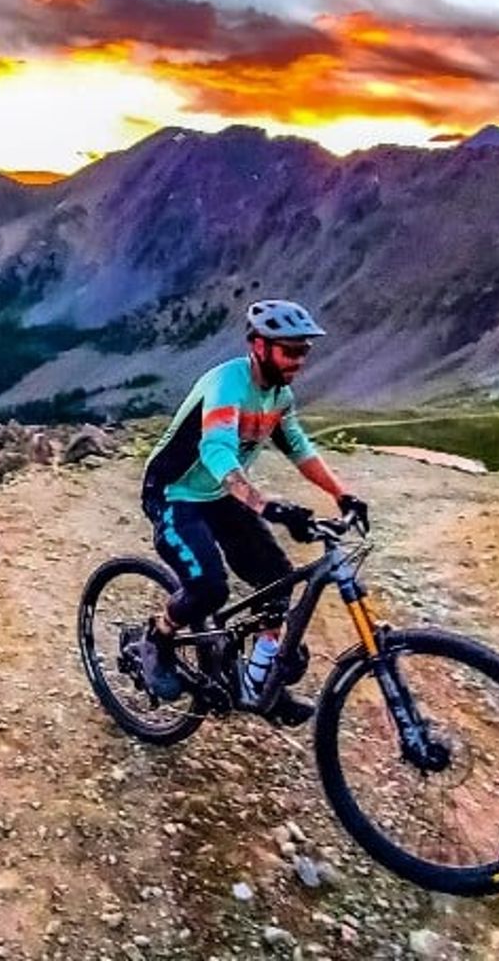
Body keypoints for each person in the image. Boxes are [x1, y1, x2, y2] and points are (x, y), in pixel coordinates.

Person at [136, 299, 370, 725]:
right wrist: (268, 506)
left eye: (304, 351)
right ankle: (157, 637)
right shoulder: (228, 384)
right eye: (290, 350)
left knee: (278, 584)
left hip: (219, 497)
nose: (299, 360)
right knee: (208, 587)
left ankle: (258, 682)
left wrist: (343, 495)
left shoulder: (279, 394)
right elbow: (217, 450)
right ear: (259, 346)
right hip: (174, 493)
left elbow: (299, 448)